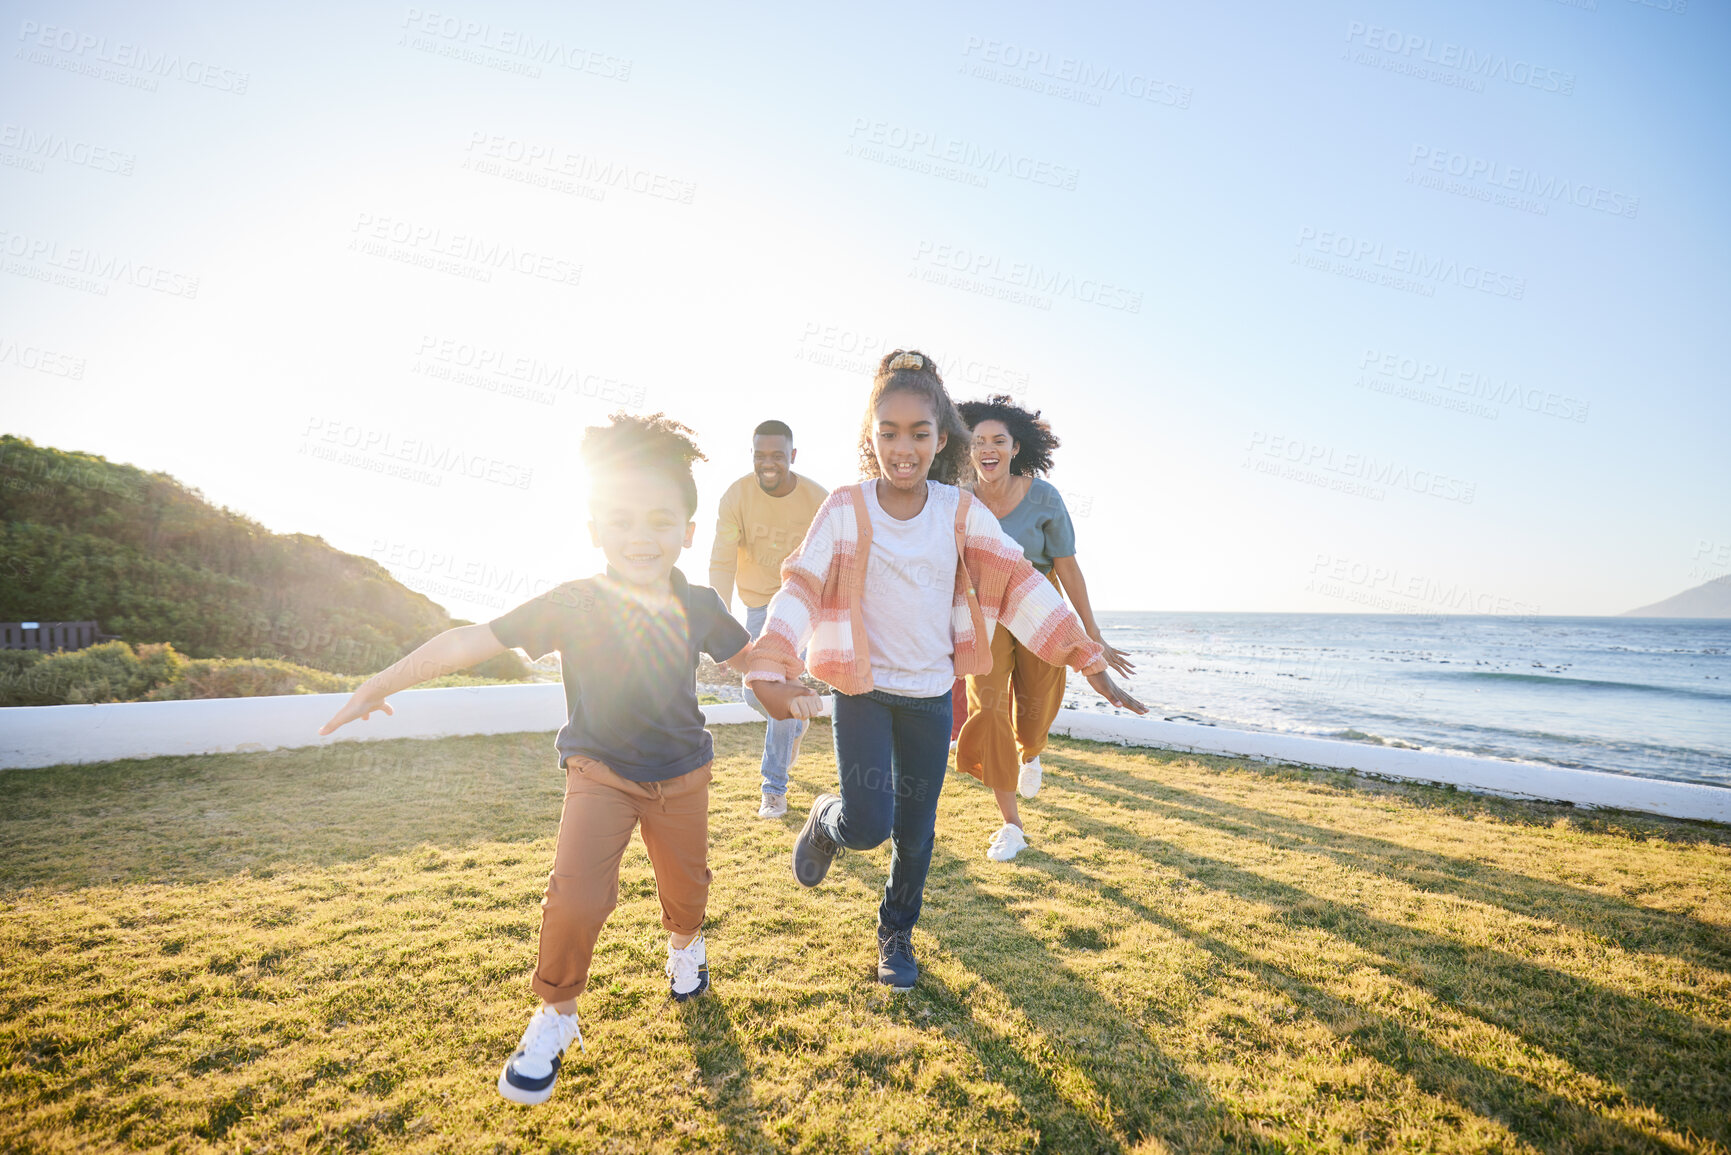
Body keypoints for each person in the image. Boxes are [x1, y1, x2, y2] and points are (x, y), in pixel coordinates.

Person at [318, 413, 750, 1107]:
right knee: (576, 896)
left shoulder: (697, 603)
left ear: (687, 532)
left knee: (687, 893)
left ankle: (684, 948)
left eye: (660, 520)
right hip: (599, 770)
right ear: (593, 530)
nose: (641, 536)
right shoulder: (573, 601)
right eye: (621, 519)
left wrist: (785, 680)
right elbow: (472, 639)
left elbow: (748, 658)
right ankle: (554, 1014)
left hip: (683, 773)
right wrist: (378, 684)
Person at [747, 350, 1146, 993]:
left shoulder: (959, 513)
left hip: (931, 695)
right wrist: (770, 661)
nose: (902, 448)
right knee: (870, 824)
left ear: (942, 440)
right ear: (869, 438)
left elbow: (1022, 580)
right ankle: (828, 820)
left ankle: (896, 933)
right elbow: (802, 582)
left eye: (919, 433)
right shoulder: (847, 508)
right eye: (888, 432)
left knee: (916, 829)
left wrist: (1087, 657)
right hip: (865, 693)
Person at [953, 395, 1136, 863]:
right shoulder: (958, 497)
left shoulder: (1043, 497)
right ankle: (1010, 825)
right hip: (986, 616)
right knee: (988, 710)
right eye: (978, 442)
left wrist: (1091, 637)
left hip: (1039, 614)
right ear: (966, 449)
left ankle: (1031, 752)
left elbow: (1068, 570)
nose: (987, 449)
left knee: (1033, 716)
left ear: (1016, 448)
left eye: (998, 440)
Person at [708, 419, 828, 819]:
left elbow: (839, 554)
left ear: (792, 456)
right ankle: (793, 721)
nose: (769, 463)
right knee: (753, 692)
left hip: (803, 605)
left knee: (777, 684)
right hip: (758, 608)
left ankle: (773, 789)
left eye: (778, 455)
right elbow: (721, 564)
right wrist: (719, 627)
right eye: (761, 455)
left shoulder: (817, 499)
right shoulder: (735, 496)